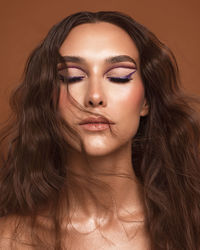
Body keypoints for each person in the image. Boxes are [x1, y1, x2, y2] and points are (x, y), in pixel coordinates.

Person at [0, 11, 199, 250]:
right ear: (49, 99)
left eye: (119, 77)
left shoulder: (191, 223)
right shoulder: (9, 239)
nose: (95, 97)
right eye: (72, 77)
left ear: (146, 101)